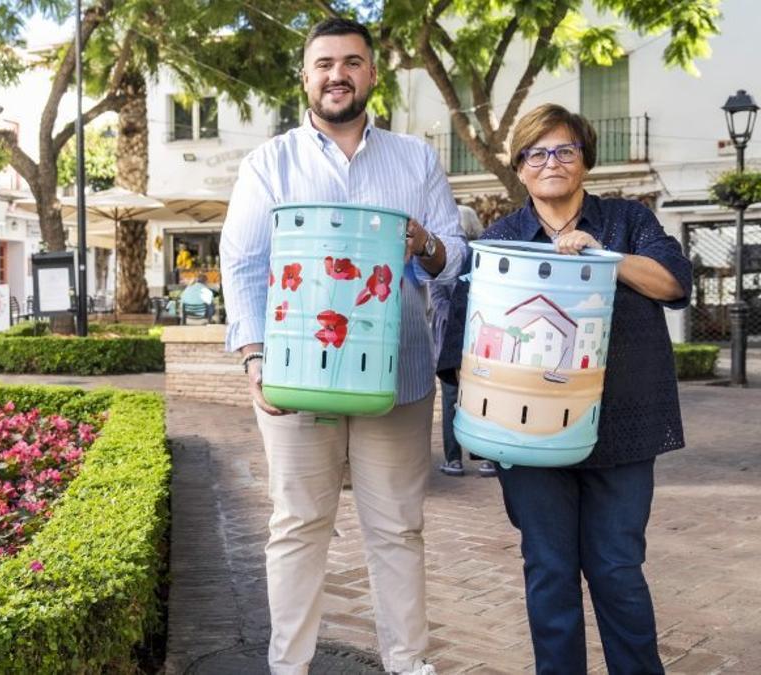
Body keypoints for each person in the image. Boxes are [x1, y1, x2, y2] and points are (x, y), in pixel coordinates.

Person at [219, 17, 466, 675]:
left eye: (351, 62)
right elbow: (242, 265)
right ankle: (289, 666)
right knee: (298, 526)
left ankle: (408, 664)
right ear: (305, 77)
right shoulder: (268, 163)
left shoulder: (416, 159)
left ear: (372, 74)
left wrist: (426, 244)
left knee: (397, 529)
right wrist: (253, 360)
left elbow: (454, 254)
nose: (337, 74)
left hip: (399, 377)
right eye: (324, 63)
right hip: (298, 376)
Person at [438, 103, 691, 674]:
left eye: (565, 150)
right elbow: (461, 337)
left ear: (584, 161)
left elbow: (675, 281)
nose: (551, 162)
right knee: (549, 569)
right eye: (537, 152)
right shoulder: (502, 238)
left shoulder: (627, 221)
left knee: (617, 568)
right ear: (521, 168)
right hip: (526, 435)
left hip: (622, 428)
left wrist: (601, 255)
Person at [431, 205, 496, 477]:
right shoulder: (444, 257)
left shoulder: (485, 258)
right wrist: (463, 314)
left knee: (479, 398)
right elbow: (436, 296)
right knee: (455, 397)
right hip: (453, 337)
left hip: (480, 339)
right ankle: (456, 457)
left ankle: (483, 457)